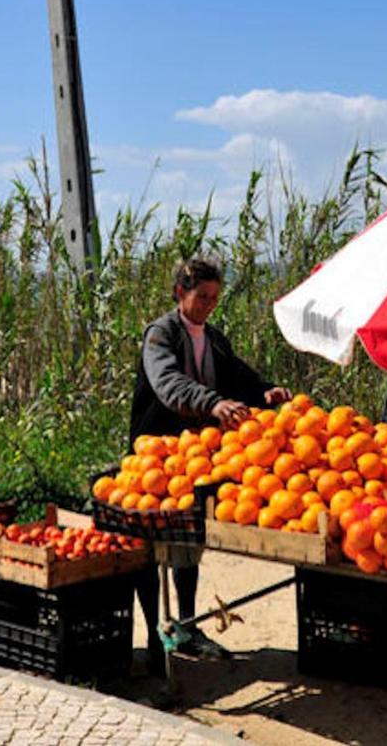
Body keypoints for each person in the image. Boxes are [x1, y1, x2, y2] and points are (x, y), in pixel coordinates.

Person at [130, 257, 290, 672]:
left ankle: (185, 624)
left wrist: (264, 391)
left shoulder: (213, 338)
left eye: (215, 298)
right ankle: (152, 635)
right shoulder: (160, 335)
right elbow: (168, 384)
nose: (208, 305)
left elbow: (237, 375)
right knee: (149, 549)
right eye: (202, 296)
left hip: (197, 459)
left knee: (188, 543)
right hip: (155, 458)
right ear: (180, 292)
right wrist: (211, 402)